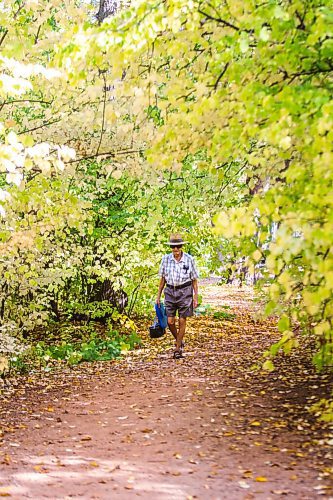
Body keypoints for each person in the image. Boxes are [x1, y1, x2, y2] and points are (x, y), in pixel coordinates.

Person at [156, 233, 199, 359]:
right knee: (170, 321)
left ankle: (177, 348)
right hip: (170, 291)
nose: (176, 249)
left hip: (185, 291)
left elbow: (194, 280)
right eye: (173, 247)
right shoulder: (165, 259)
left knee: (182, 319)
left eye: (178, 246)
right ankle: (179, 340)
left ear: (181, 247)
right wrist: (158, 295)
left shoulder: (189, 259)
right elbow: (162, 279)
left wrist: (195, 297)